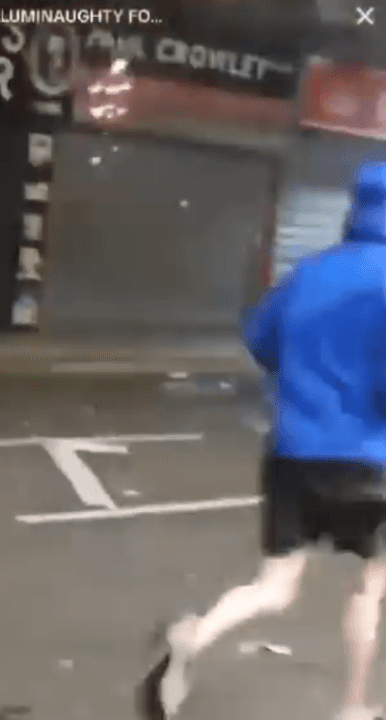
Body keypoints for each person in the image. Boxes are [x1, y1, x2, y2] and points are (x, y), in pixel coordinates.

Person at [141, 163, 386, 720]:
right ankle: (351, 708)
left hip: (292, 452)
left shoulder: (309, 272)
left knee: (274, 585)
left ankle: (194, 635)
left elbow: (260, 338)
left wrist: (309, 381)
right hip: (369, 461)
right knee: (368, 589)